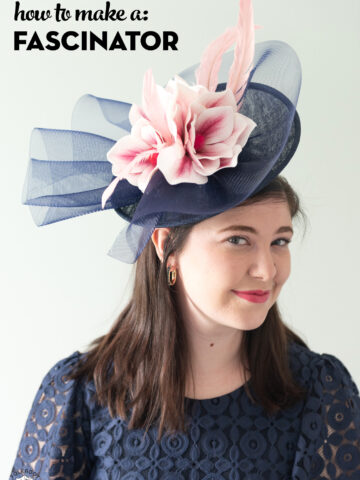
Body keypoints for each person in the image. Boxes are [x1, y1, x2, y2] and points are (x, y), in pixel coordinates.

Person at [10, 1, 360, 478]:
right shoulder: (77, 396)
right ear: (164, 245)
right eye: (239, 240)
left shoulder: (320, 392)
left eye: (280, 241)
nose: (267, 268)